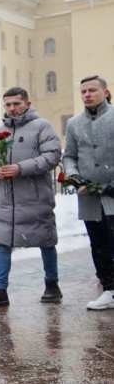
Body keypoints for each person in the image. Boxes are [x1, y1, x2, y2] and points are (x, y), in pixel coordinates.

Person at [0, 87, 62, 306]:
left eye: (16, 103)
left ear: (27, 103)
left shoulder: (42, 126)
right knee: (2, 243)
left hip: (36, 198)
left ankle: (52, 285)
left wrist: (20, 168)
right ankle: (0, 290)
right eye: (8, 104)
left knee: (46, 241)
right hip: (5, 201)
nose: (12, 108)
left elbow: (52, 156)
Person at [61, 75, 114, 311]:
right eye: (83, 92)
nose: (87, 95)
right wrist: (74, 175)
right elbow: (69, 156)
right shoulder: (74, 123)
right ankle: (109, 289)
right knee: (98, 243)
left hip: (112, 192)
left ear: (105, 92)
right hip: (89, 196)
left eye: (92, 90)